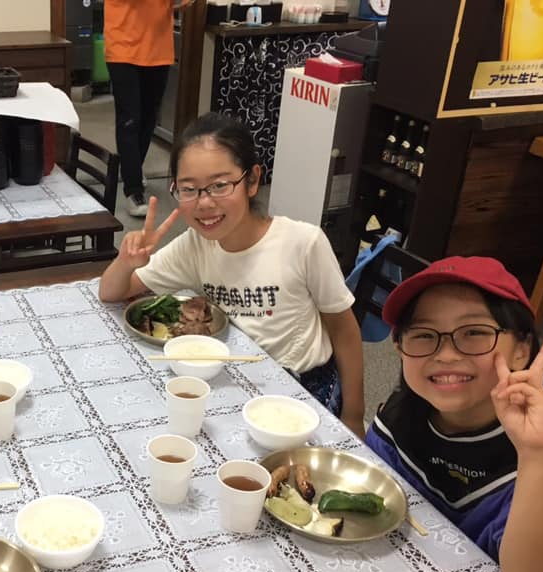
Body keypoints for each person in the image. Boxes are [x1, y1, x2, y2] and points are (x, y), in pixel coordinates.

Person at [98, 112, 365, 437]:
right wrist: (126, 261)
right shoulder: (195, 246)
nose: (204, 203)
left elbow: (344, 329)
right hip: (235, 378)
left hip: (303, 387)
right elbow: (111, 292)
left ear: (252, 181)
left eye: (220, 185)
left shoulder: (302, 243)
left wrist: (354, 415)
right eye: (189, 189)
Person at [365, 256, 543, 572]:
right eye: (423, 335)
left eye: (474, 332)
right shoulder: (399, 418)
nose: (446, 355)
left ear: (522, 350)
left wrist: (536, 456)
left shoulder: (535, 446)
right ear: (399, 348)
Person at [105, 0, 193, 218]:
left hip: (158, 49)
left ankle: (133, 168)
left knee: (148, 119)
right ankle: (133, 189)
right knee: (129, 120)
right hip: (123, 47)